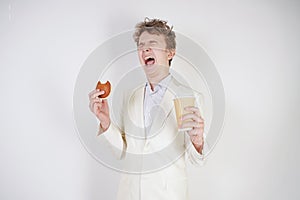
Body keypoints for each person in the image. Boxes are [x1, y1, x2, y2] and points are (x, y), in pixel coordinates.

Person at [88, 18, 207, 200]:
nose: (145, 50)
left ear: (170, 53)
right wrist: (105, 122)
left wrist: (197, 142)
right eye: (141, 46)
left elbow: (196, 160)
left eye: (153, 44)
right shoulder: (130, 97)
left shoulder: (190, 97)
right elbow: (122, 152)